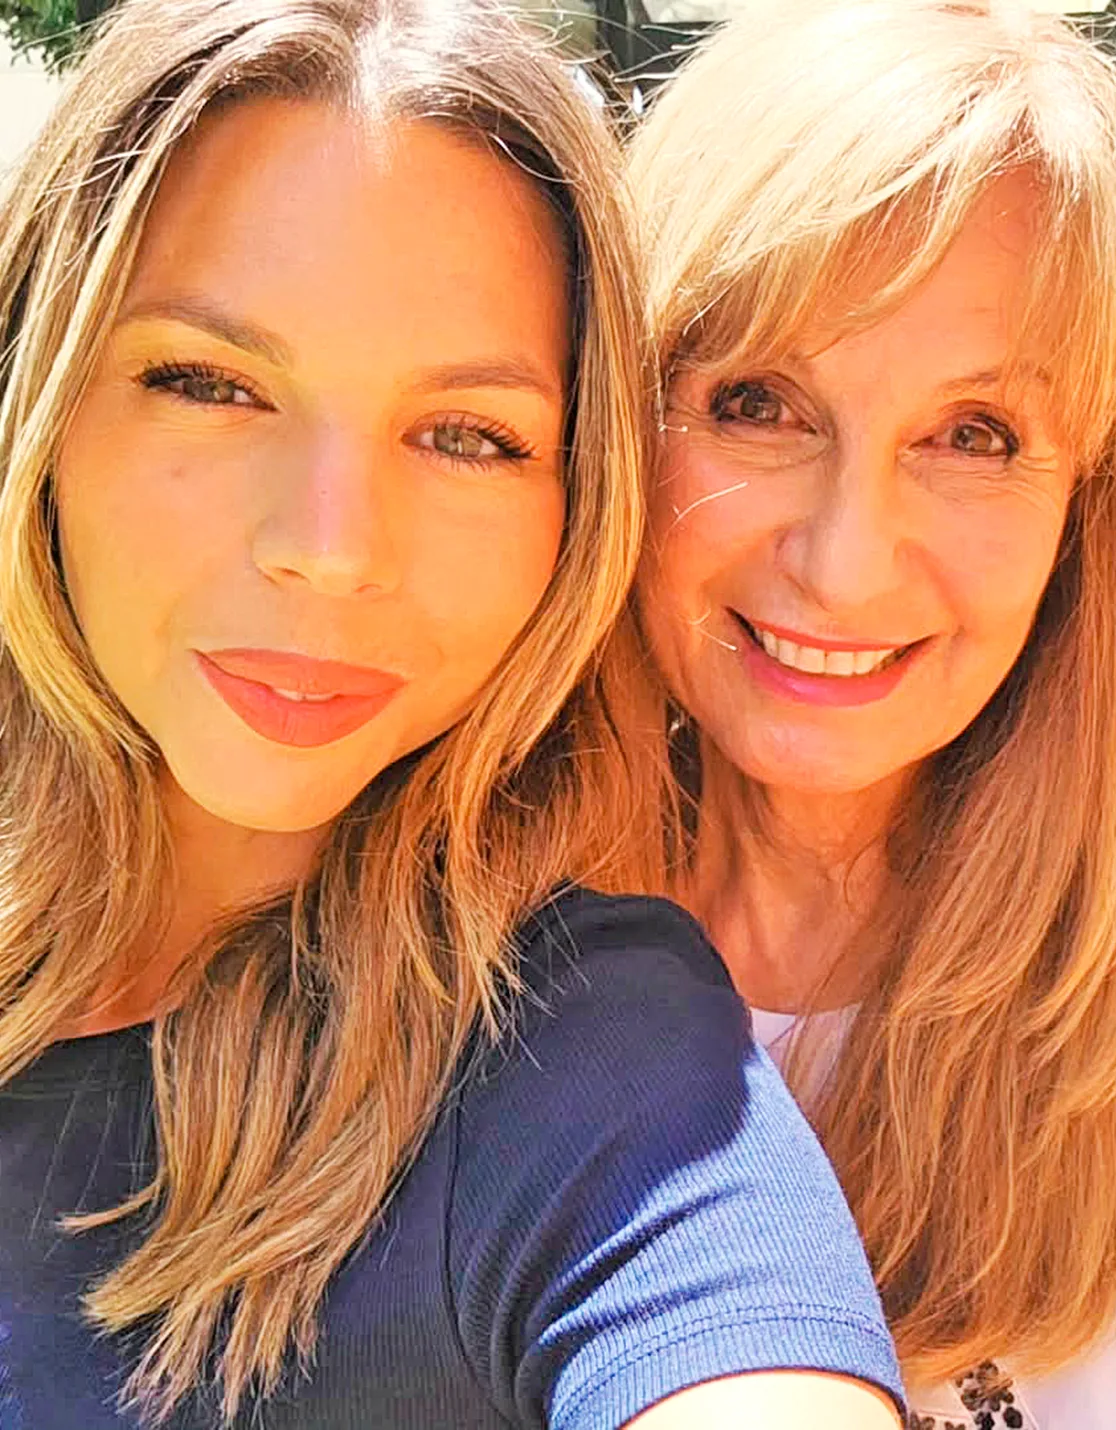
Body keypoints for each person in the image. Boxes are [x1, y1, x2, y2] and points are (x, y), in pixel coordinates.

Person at [0, 1, 910, 1427]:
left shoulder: (594, 1059)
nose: (333, 546)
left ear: (578, 500)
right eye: (209, 382)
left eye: (468, 435)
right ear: (39, 404)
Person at [627, 1, 1116, 1426]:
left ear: (1091, 505)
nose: (844, 558)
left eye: (974, 434)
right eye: (756, 401)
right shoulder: (432, 966)